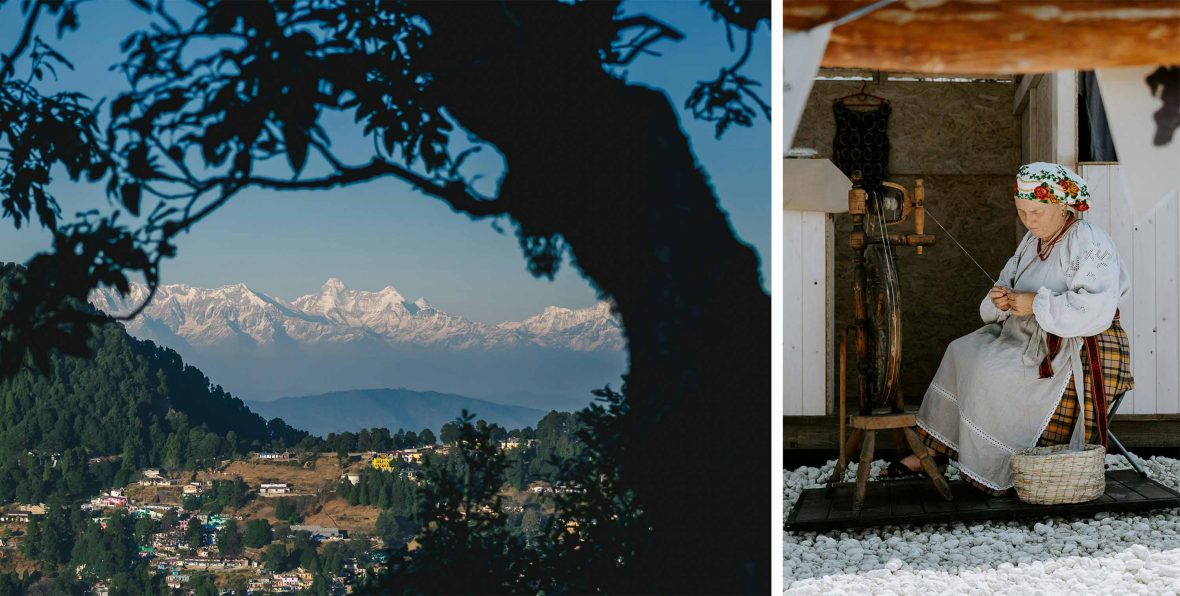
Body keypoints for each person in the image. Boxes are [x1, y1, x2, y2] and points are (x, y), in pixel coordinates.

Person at [884, 162, 1134, 496]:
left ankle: (996, 466)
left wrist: (1036, 304)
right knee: (961, 350)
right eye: (1021, 212)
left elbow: (1096, 309)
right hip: (1022, 334)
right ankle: (935, 451)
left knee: (990, 370)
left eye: (1036, 212)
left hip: (1073, 344)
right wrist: (1001, 299)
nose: (1029, 221)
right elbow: (1006, 283)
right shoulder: (1032, 241)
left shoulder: (1087, 240)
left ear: (1062, 205)